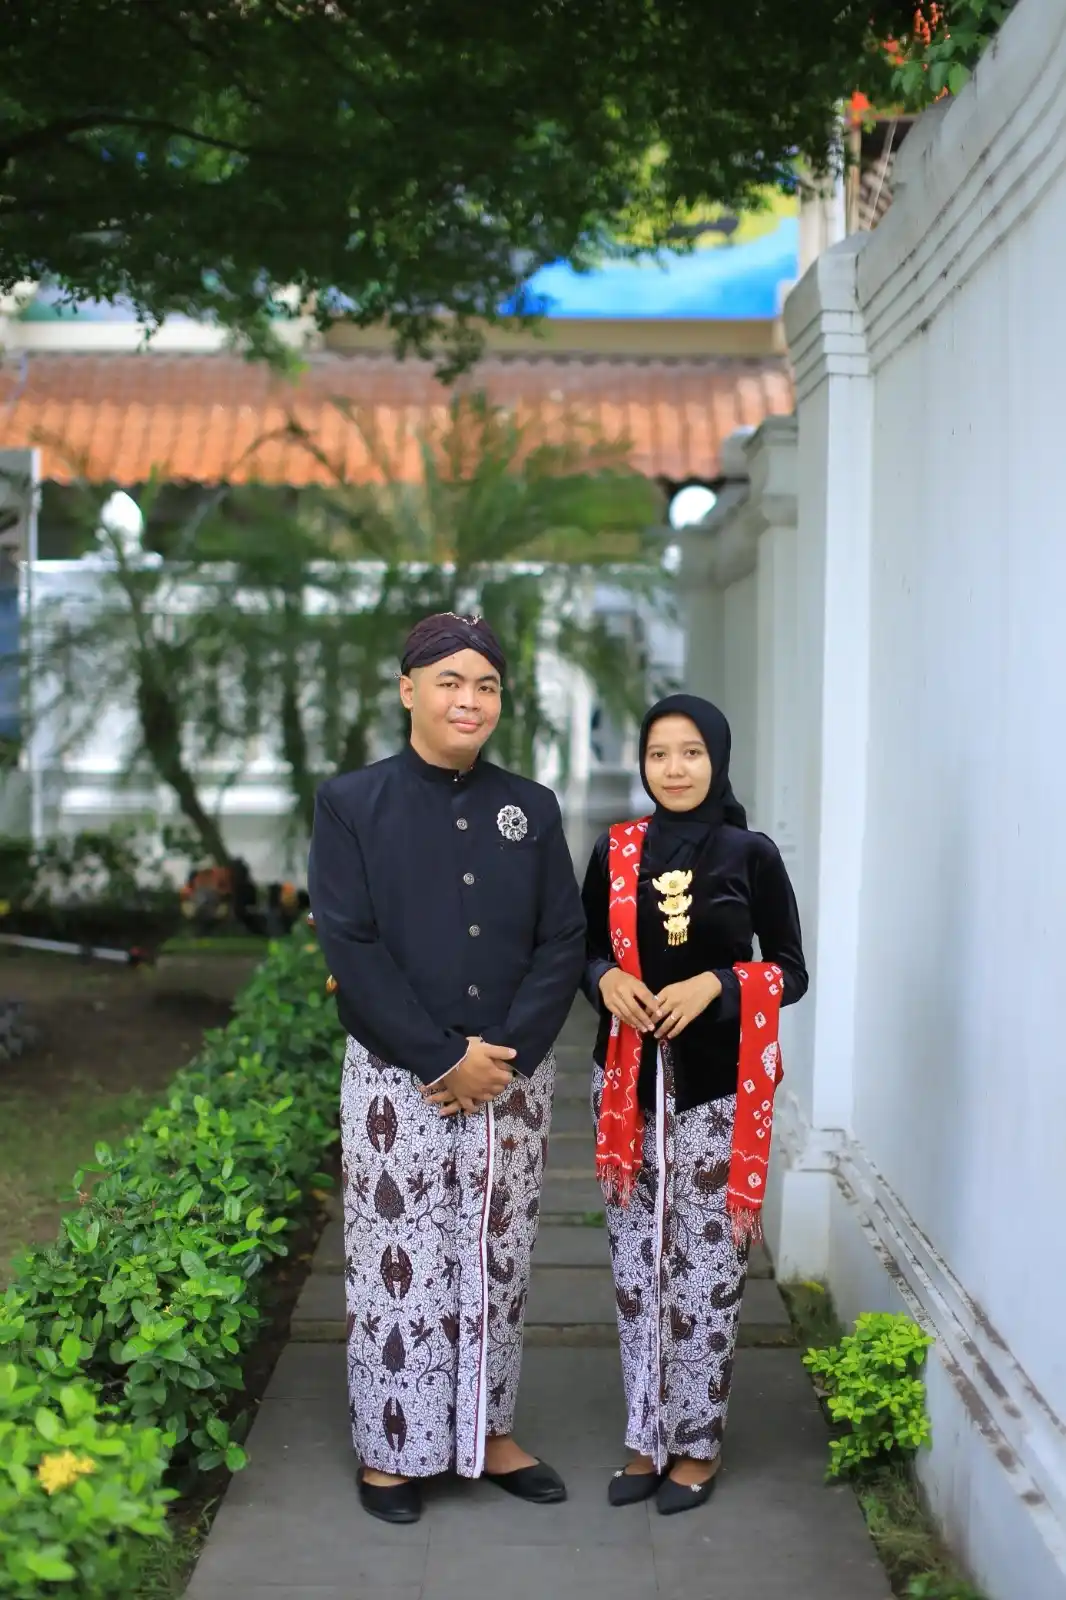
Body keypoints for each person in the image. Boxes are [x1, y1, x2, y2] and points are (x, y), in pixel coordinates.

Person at [308, 612, 585, 1526]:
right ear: (408, 691)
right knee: (401, 1262)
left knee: (495, 1256)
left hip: (509, 1075)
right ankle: (394, 1449)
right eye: (450, 681)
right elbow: (350, 942)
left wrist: (504, 1057)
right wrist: (440, 1057)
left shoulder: (531, 807)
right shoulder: (352, 802)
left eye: (487, 685)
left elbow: (562, 938)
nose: (470, 700)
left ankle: (488, 1431)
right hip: (399, 1076)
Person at [580, 694, 808, 1516]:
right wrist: (604, 978)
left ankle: (697, 1445)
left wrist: (718, 985)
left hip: (717, 1091)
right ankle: (646, 1437)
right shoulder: (615, 849)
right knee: (637, 1269)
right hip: (626, 1090)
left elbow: (791, 969)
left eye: (691, 753)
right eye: (658, 754)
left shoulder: (751, 853)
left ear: (717, 759)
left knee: (706, 1272)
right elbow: (582, 949)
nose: (673, 769)